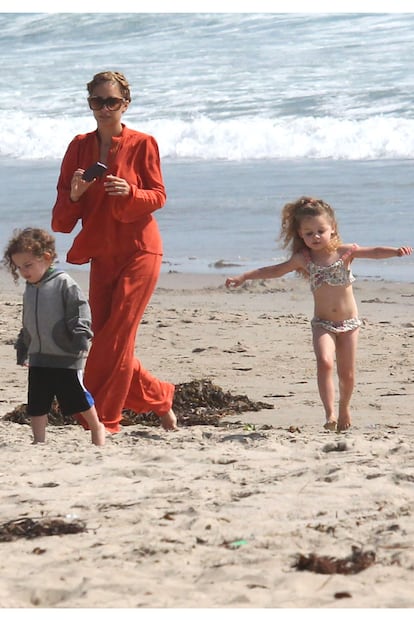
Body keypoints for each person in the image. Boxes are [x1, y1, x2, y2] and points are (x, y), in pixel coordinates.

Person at [51, 70, 176, 434]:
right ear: (89, 103)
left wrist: (131, 193)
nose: (104, 109)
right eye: (97, 101)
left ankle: (104, 419)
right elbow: (61, 220)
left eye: (112, 102)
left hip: (141, 250)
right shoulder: (78, 146)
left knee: (116, 336)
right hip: (102, 254)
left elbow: (158, 196)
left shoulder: (143, 143)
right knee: (109, 338)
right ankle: (159, 398)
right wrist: (75, 195)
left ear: (126, 104)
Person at [225, 196, 412, 432]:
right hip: (322, 323)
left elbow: (373, 251)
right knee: (324, 362)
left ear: (332, 229)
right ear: (300, 235)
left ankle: (344, 407)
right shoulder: (303, 259)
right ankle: (330, 413)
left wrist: (395, 252)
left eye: (320, 231)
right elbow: (274, 270)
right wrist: (244, 276)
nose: (315, 237)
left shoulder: (346, 252)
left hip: (350, 323)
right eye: (309, 233)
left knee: (348, 373)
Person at [3, 228, 105, 446]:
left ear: (46, 258)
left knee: (76, 397)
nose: (24, 272)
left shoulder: (63, 283)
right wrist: (24, 344)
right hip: (39, 356)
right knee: (37, 402)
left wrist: (80, 335)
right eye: (19, 267)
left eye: (28, 265)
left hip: (65, 354)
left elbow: (79, 310)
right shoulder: (30, 289)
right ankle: (39, 440)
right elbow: (28, 321)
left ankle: (96, 427)